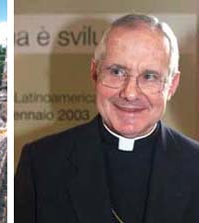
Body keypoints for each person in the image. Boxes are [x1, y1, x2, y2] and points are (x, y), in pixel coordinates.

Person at [15, 13, 199, 223]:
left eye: (149, 76)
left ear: (172, 85)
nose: (130, 93)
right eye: (117, 72)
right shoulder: (41, 163)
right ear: (95, 73)